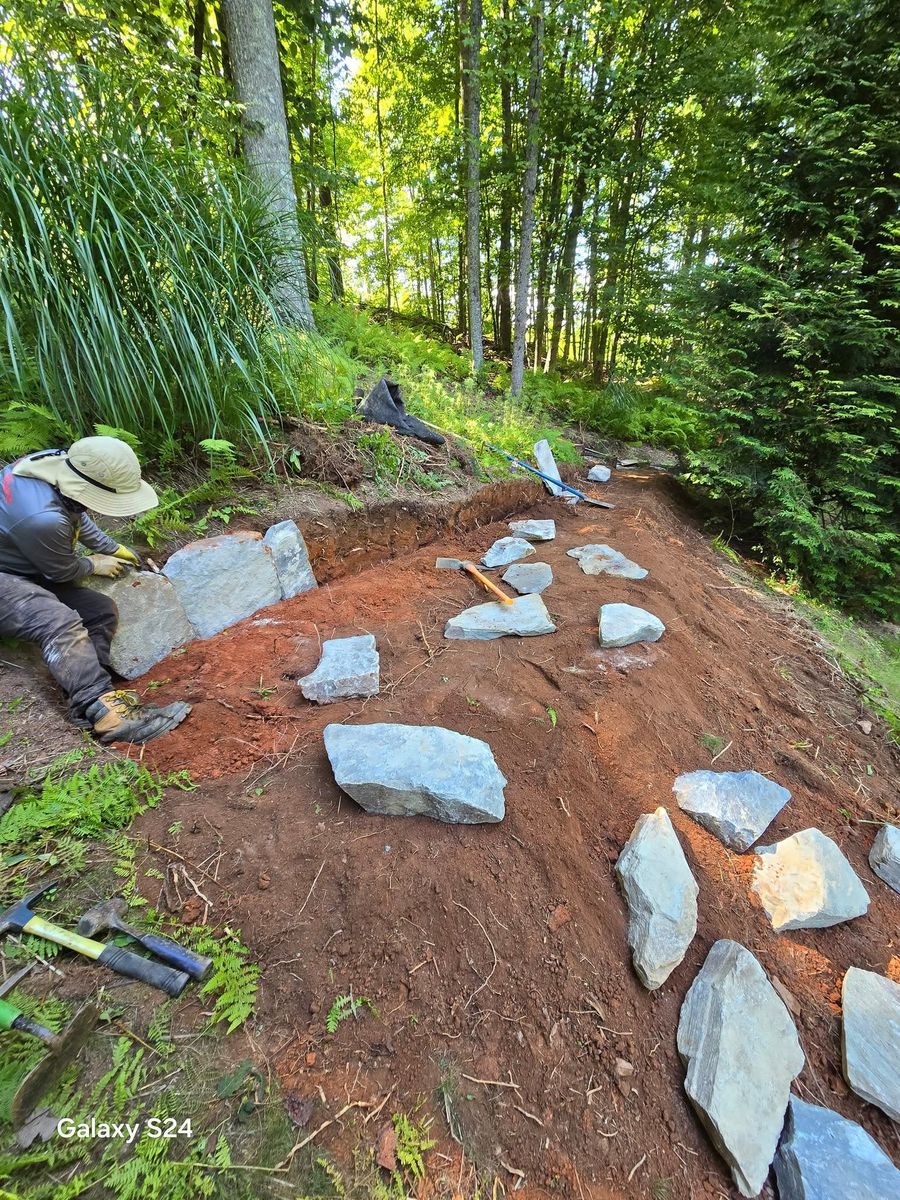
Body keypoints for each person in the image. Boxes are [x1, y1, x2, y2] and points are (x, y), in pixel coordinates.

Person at [0, 436, 191, 743]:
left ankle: (88, 691)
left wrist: (111, 547)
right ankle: (105, 713)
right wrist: (94, 564)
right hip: (6, 576)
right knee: (57, 621)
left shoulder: (55, 466)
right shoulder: (42, 520)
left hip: (21, 557)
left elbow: (76, 514)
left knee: (99, 611)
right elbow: (59, 569)